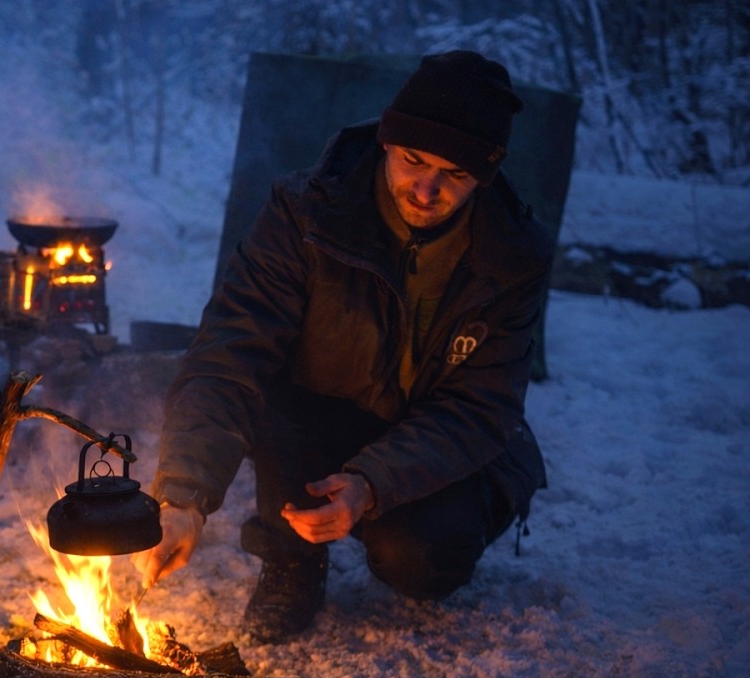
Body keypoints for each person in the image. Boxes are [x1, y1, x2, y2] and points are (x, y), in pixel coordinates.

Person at [132, 50, 553, 643]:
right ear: (387, 142)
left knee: (421, 561)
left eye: (454, 175)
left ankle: (415, 528)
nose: (426, 189)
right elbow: (230, 352)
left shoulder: (510, 258)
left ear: (482, 178)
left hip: (429, 427)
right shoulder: (306, 214)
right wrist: (183, 495)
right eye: (413, 160)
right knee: (270, 390)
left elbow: (481, 407)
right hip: (320, 410)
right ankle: (291, 560)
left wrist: (371, 482)